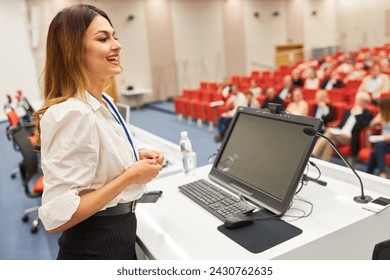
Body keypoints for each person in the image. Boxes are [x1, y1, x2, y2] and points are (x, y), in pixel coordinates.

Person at [33, 4, 163, 260]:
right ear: (73, 51)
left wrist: (134, 156)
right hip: (95, 246)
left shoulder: (102, 101)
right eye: (103, 38)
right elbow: (58, 218)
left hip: (117, 233)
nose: (117, 45)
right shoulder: (72, 113)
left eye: (115, 36)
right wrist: (130, 176)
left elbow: (93, 158)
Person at [312, 91, 372, 162]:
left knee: (329, 133)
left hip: (351, 137)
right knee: (331, 142)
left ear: (367, 103)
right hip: (340, 133)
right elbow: (341, 124)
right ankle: (324, 163)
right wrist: (336, 129)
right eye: (359, 100)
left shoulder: (367, 114)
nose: (360, 103)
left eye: (363, 101)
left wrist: (357, 113)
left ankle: (313, 154)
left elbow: (360, 126)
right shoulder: (348, 111)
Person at [366, 98, 390, 178]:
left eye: (381, 107)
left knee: (377, 148)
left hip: (387, 143)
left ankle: (374, 173)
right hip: (384, 143)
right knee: (376, 150)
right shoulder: (382, 114)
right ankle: (375, 173)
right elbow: (371, 124)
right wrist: (374, 122)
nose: (379, 109)